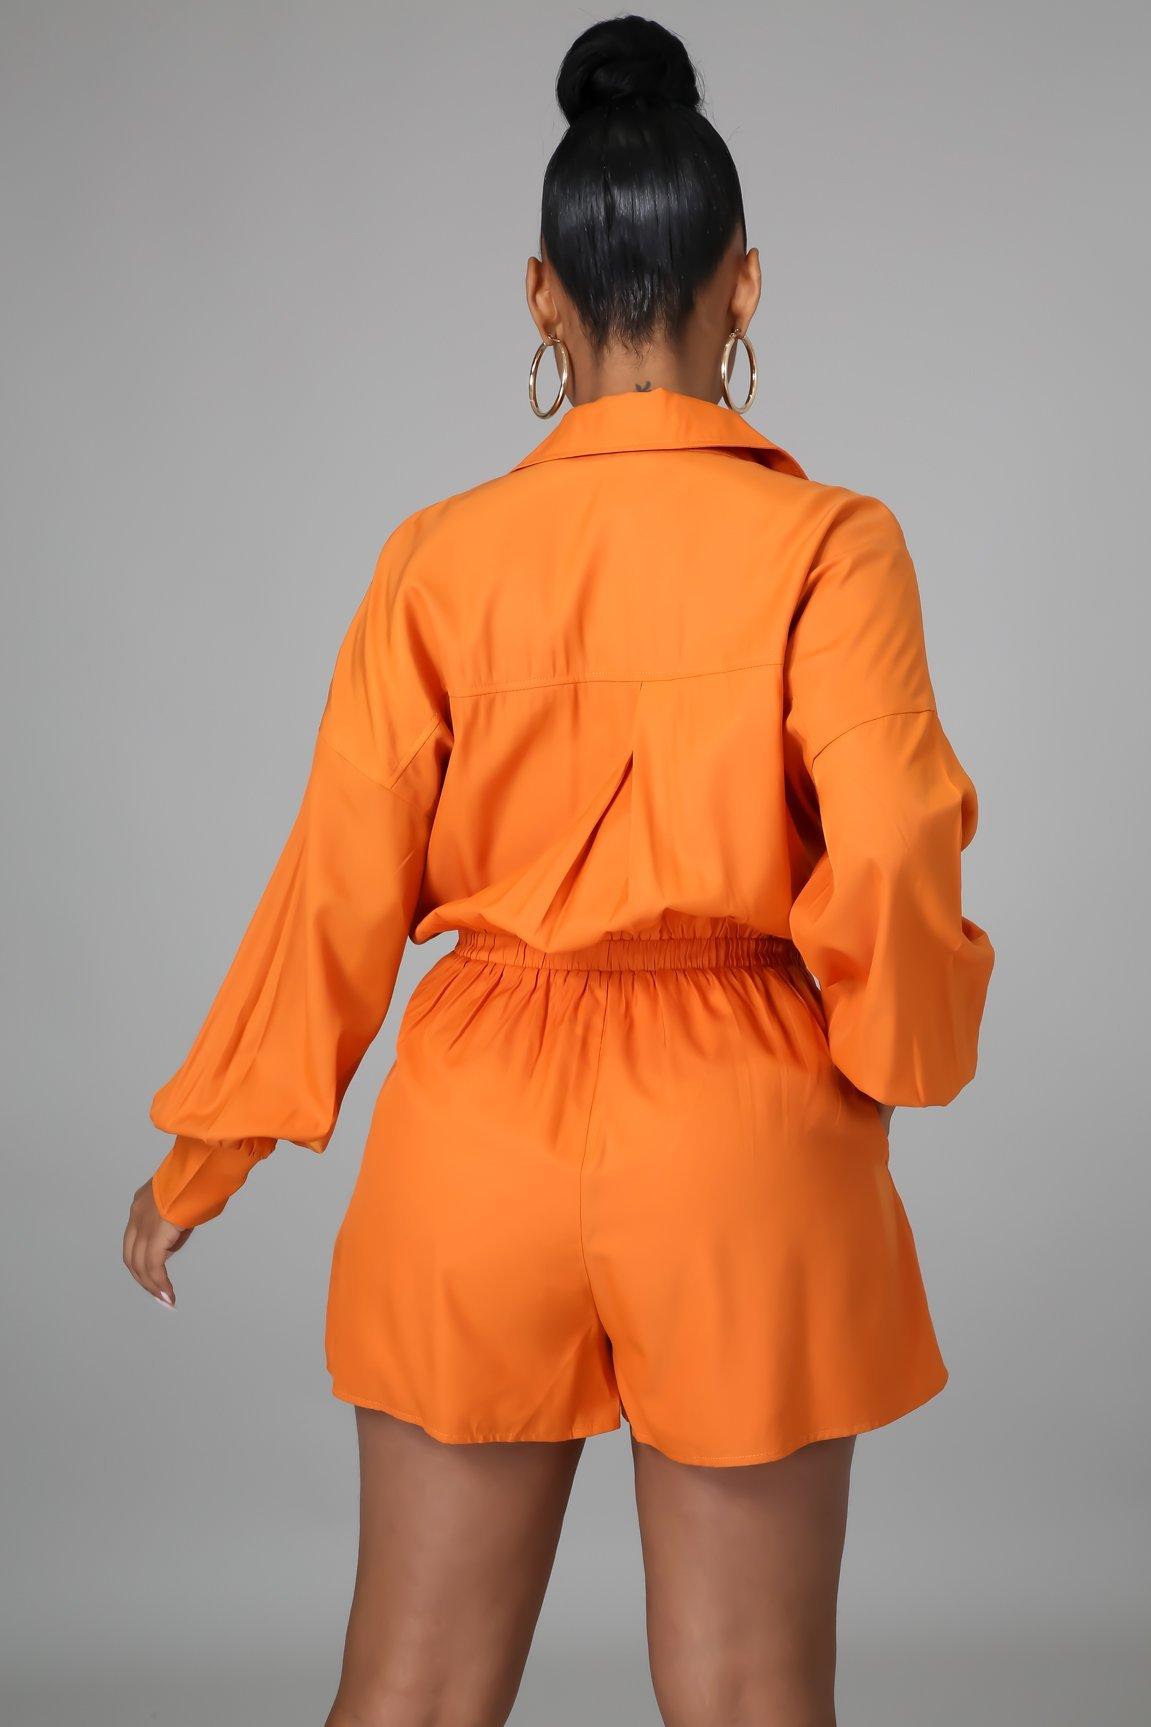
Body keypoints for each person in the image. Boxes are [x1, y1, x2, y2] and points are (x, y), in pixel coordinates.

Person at [122, 15, 994, 1726]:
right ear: (745, 286)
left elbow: (335, 882)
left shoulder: (436, 562)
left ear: (543, 298)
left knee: (412, 1692)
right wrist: (886, 1056)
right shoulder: (834, 544)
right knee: (749, 1697)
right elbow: (894, 837)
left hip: (477, 1133)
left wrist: (204, 1154)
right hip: (742, 1134)